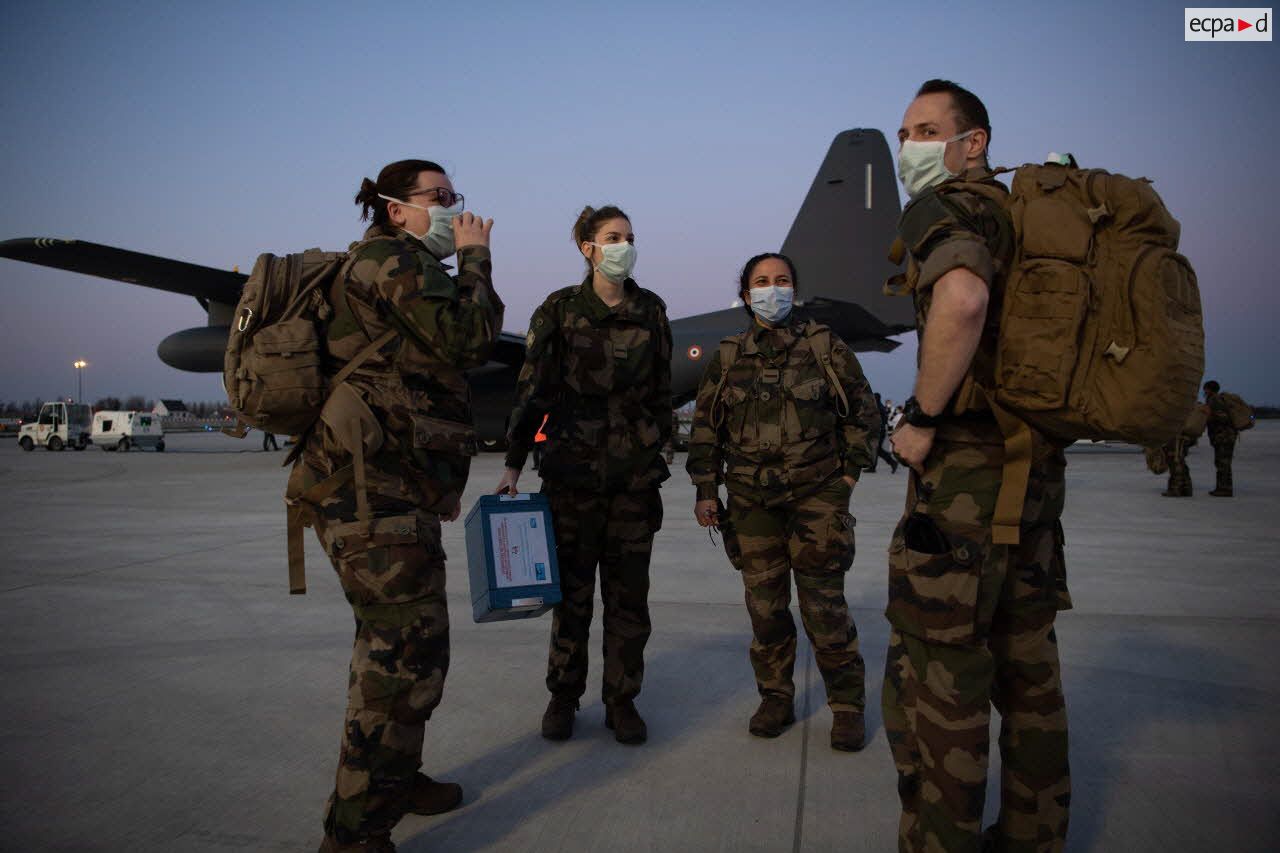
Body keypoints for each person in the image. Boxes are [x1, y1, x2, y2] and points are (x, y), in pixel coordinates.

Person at [290, 159, 503, 853]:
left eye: (454, 198)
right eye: (437, 199)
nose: (452, 209)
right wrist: (476, 259)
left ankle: (395, 778)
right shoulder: (391, 263)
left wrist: (436, 478)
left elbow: (421, 386)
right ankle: (354, 833)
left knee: (395, 650)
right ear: (394, 209)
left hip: (385, 491)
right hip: (368, 497)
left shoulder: (398, 267)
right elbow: (467, 341)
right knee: (404, 659)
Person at [884, 80, 1072, 851]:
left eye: (928, 129)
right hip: (1034, 485)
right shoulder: (1029, 218)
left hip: (964, 488)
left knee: (941, 683)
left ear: (975, 142)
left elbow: (961, 301)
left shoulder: (948, 208)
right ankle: (1036, 838)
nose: (910, 147)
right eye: (905, 132)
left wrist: (922, 418)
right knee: (1030, 682)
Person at [686, 252, 879, 751]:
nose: (773, 289)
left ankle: (847, 705)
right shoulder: (728, 356)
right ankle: (775, 698)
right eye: (762, 282)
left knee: (824, 608)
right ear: (746, 294)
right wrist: (707, 490)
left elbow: (864, 413)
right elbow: (706, 429)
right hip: (751, 504)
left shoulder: (823, 346)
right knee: (766, 610)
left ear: (795, 289)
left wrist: (848, 480)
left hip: (817, 499)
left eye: (783, 280)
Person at [496, 205, 672, 745]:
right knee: (570, 601)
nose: (623, 245)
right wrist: (514, 461)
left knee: (628, 603)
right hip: (570, 478)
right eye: (612, 237)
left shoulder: (651, 310)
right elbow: (533, 389)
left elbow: (663, 391)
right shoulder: (559, 309)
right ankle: (563, 698)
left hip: (632, 485)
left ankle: (622, 701)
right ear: (587, 247)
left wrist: (651, 447)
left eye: (630, 237)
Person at [1203, 380, 1237, 496]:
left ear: (1209, 389)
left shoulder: (1215, 400)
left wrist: (1210, 417)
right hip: (1224, 436)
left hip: (1224, 437)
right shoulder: (1215, 399)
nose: (1204, 391)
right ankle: (1223, 487)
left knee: (1223, 463)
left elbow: (1223, 417)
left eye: (1205, 389)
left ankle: (1224, 489)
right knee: (1222, 462)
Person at [865, 392, 899, 473]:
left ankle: (892, 462)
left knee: (876, 449)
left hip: (878, 432)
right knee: (876, 450)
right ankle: (873, 467)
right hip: (881, 431)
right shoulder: (881, 407)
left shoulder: (877, 408)